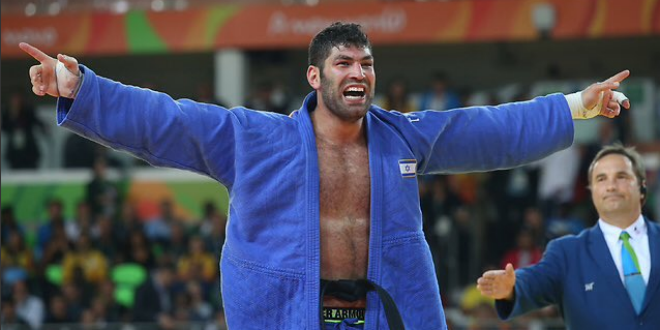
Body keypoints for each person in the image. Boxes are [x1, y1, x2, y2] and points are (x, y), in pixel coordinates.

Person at [21, 22, 630, 330]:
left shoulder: (403, 136)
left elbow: (488, 128)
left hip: (381, 314)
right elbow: (167, 122)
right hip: (290, 314)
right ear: (316, 77)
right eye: (343, 62)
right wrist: (83, 88)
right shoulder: (254, 139)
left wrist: (579, 104)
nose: (358, 71)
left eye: (366, 62)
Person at [477, 144, 659, 329]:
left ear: (641, 186)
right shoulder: (567, 253)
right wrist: (512, 288)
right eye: (601, 179)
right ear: (592, 191)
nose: (611, 186)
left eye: (621, 176)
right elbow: (536, 281)